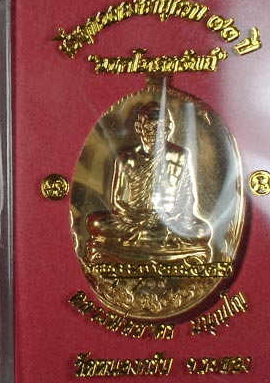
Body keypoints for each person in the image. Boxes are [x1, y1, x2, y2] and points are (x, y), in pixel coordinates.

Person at [86, 101, 212, 263]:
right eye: (150, 127)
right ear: (139, 128)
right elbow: (117, 201)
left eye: (161, 128)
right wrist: (141, 219)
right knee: (96, 223)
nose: (156, 133)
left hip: (170, 223)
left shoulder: (179, 156)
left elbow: (187, 198)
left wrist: (170, 220)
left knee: (202, 231)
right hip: (135, 221)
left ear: (169, 129)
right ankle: (155, 239)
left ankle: (149, 239)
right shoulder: (127, 158)